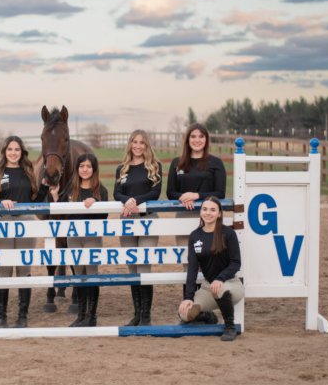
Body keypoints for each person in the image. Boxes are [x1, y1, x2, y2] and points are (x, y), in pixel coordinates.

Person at [0, 135, 50, 328]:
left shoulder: (28, 172)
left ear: (21, 152)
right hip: (3, 222)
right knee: (4, 269)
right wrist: (0, 203)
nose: (13, 153)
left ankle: (22, 316)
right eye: (10, 149)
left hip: (26, 222)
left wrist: (45, 188)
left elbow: (35, 203)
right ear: (4, 152)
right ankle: (1, 317)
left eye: (17, 150)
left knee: (24, 269)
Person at [166, 123, 226, 303]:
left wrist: (197, 196)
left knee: (207, 262)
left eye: (201, 136)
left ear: (206, 139)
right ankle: (189, 304)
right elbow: (171, 193)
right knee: (188, 264)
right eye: (193, 136)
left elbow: (220, 193)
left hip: (208, 219)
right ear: (187, 139)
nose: (197, 140)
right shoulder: (177, 163)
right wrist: (184, 197)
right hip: (184, 217)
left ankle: (205, 307)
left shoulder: (215, 163)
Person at [49, 153, 108, 327]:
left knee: (91, 274)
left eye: (88, 166)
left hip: (91, 236)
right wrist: (54, 196)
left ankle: (92, 316)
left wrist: (95, 202)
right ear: (77, 169)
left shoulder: (100, 190)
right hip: (73, 236)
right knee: (78, 275)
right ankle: (81, 315)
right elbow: (59, 211)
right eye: (81, 166)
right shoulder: (71, 188)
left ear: (94, 169)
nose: (85, 169)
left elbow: (104, 214)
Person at [114, 129, 162, 326]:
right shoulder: (122, 169)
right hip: (127, 221)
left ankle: (146, 316)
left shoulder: (154, 166)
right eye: (135, 142)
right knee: (132, 268)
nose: (138, 146)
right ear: (130, 144)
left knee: (144, 267)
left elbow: (156, 193)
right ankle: (137, 314)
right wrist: (128, 201)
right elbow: (117, 194)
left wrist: (135, 201)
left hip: (148, 220)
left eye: (142, 142)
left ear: (147, 145)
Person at [178, 197, 243, 341]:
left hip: (230, 284)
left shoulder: (228, 233)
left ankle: (229, 327)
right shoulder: (195, 236)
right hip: (208, 287)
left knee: (218, 288)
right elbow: (193, 269)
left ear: (219, 213)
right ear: (200, 212)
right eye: (205, 209)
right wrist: (188, 297)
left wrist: (220, 278)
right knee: (184, 313)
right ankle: (207, 314)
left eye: (213, 210)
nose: (208, 213)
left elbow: (235, 263)